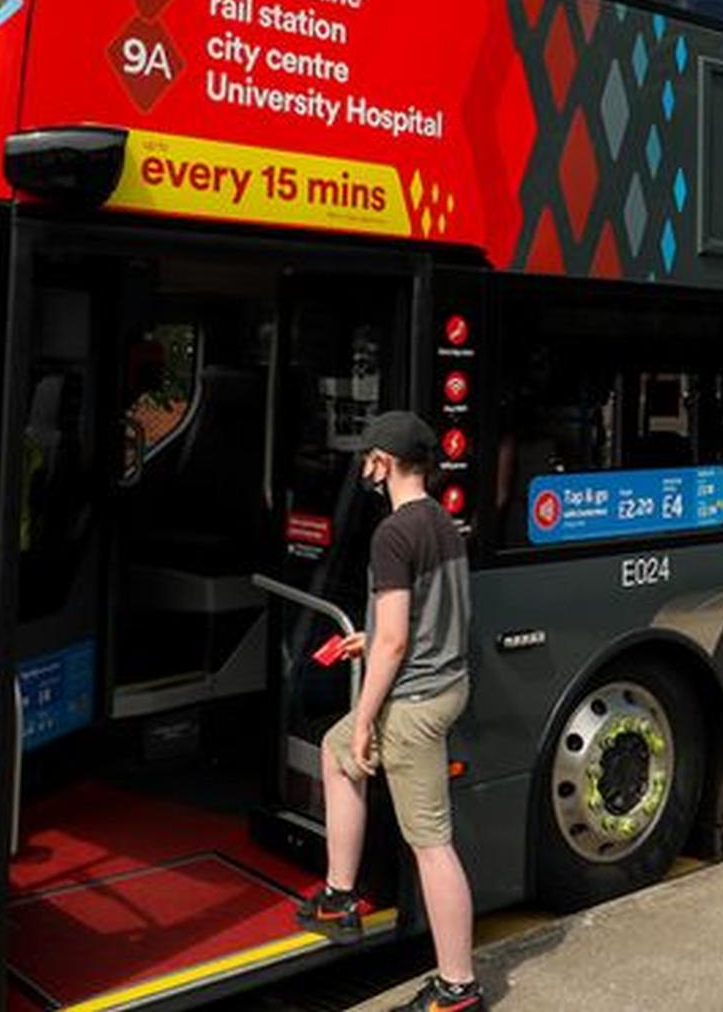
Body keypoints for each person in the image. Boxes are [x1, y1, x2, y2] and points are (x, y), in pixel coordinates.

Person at [296, 410, 486, 1012]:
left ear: (382, 462)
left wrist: (367, 715)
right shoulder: (442, 523)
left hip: (413, 700)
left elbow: (397, 642)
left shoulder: (393, 534)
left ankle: (457, 987)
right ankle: (340, 894)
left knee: (431, 842)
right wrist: (369, 635)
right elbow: (422, 616)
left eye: (367, 458)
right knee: (333, 750)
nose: (363, 468)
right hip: (445, 683)